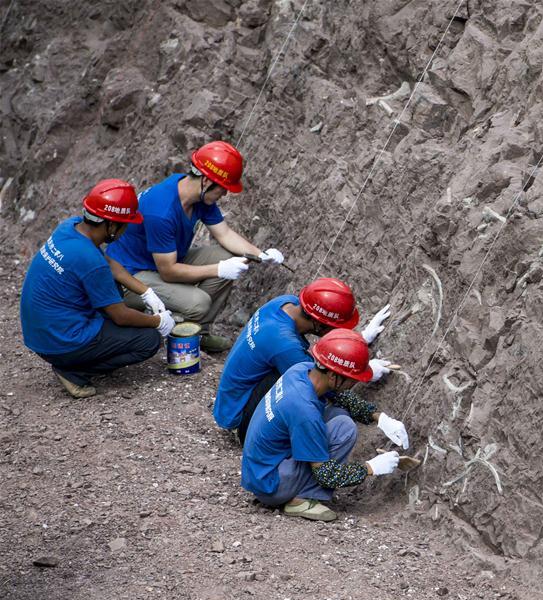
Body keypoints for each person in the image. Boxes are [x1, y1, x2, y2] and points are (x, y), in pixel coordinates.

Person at [106, 140, 285, 353]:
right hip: (130, 277)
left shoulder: (195, 195)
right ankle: (179, 334)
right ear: (207, 181)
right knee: (199, 302)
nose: (225, 194)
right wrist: (219, 269)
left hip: (159, 262)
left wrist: (261, 254)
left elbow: (224, 234)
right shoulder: (161, 211)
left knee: (223, 254)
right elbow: (169, 272)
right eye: (223, 188)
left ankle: (198, 332)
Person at [20, 179, 175, 398]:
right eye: (125, 224)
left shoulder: (70, 228)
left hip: (41, 333)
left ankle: (80, 356)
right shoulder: (89, 260)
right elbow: (120, 316)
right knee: (148, 341)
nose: (126, 229)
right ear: (111, 226)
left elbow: (110, 265)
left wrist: (146, 292)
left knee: (114, 290)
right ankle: (74, 370)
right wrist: (158, 321)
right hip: (61, 341)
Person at [241, 329, 408, 521]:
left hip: (259, 469)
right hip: (271, 485)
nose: (354, 383)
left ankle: (297, 488)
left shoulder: (302, 370)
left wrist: (380, 418)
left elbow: (341, 396)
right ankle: (300, 498)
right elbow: (326, 475)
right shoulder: (304, 411)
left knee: (340, 415)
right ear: (333, 377)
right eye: (352, 379)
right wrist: (371, 468)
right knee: (344, 429)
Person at [212, 277, 393, 442]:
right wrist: (362, 373)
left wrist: (359, 339)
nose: (334, 331)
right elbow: (328, 382)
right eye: (335, 328)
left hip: (230, 402)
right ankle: (254, 437)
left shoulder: (285, 303)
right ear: (319, 323)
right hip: (240, 416)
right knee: (308, 388)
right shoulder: (285, 345)